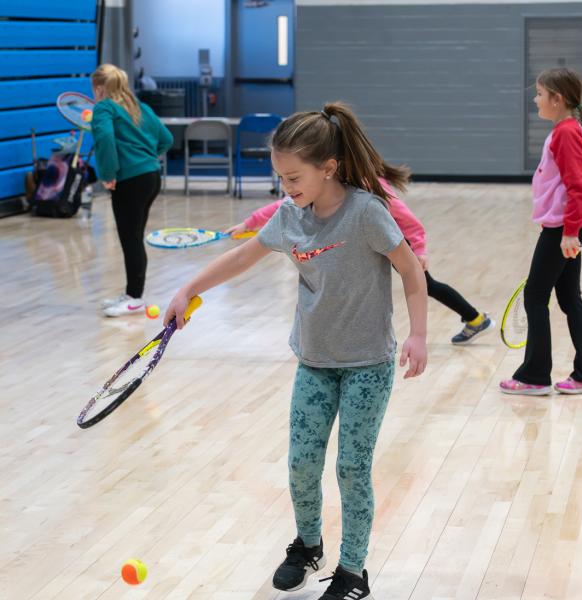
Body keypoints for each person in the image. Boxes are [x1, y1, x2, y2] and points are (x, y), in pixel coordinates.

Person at [164, 102, 428, 599]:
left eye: (293, 177)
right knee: (302, 462)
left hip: (367, 365)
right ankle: (309, 546)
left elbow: (411, 271)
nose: (287, 188)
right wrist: (189, 290)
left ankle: (353, 571)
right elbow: (243, 255)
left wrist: (418, 335)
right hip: (314, 360)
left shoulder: (366, 212)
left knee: (352, 467)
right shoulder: (290, 217)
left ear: (328, 167)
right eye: (280, 179)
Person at [225, 182, 494, 345]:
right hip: (364, 242)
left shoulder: (367, 185)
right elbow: (284, 205)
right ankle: (475, 318)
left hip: (392, 240)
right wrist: (249, 223)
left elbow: (407, 219)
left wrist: (419, 249)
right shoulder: (321, 186)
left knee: (427, 285)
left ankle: (476, 318)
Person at [500, 67, 582, 396]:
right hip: (565, 227)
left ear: (557, 99)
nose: (536, 99)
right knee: (570, 297)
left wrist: (570, 232)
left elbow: (578, 189)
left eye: (541, 94)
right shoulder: (565, 129)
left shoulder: (567, 133)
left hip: (562, 230)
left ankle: (534, 377)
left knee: (535, 297)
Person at [90, 63, 173, 317]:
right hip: (151, 177)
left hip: (130, 181)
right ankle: (131, 293)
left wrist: (108, 175)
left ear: (100, 88)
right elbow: (166, 139)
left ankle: (135, 298)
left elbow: (104, 140)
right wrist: (146, 159)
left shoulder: (103, 108)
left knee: (131, 238)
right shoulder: (140, 108)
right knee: (134, 236)